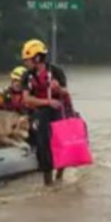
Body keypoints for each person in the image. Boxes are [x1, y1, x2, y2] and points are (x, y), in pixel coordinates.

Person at [19, 39, 73, 186]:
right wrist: (47, 102)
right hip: (40, 112)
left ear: (37, 58)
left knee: (61, 143)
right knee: (43, 146)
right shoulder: (27, 76)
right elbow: (27, 99)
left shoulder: (56, 71)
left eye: (27, 59)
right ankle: (48, 183)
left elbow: (66, 92)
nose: (25, 63)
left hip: (58, 111)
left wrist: (58, 89)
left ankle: (60, 177)